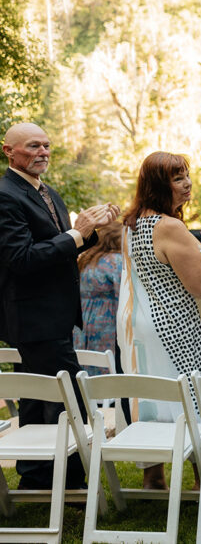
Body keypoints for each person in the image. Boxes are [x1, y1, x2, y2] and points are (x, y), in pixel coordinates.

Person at [0, 122, 118, 489]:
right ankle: (74, 480)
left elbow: (60, 249)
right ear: (9, 151)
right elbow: (20, 258)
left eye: (47, 146)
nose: (43, 153)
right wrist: (76, 232)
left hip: (56, 314)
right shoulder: (5, 195)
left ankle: (36, 479)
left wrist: (93, 230)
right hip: (34, 315)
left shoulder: (47, 192)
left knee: (37, 399)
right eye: (33, 146)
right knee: (71, 399)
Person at [120, 151, 201, 490]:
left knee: (154, 396)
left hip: (143, 324)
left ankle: (153, 479)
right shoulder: (169, 226)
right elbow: (200, 284)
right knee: (194, 395)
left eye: (186, 176)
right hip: (177, 323)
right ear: (157, 187)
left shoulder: (132, 224)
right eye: (178, 179)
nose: (187, 184)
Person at [74, 220, 124, 369]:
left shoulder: (87, 260)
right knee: (109, 369)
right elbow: (124, 297)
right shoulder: (115, 261)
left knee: (87, 369)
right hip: (106, 324)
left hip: (83, 323)